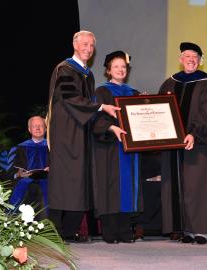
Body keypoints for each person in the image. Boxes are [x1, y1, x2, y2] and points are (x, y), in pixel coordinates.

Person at [46, 30, 120, 242]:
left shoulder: (88, 73)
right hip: (66, 133)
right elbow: (70, 98)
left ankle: (69, 231)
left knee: (79, 183)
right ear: (75, 45)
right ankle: (55, 232)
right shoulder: (65, 69)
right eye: (84, 44)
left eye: (91, 45)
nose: (88, 48)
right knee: (64, 182)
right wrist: (100, 106)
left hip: (81, 132)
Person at [158, 42, 207, 244]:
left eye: (195, 57)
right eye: (187, 56)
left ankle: (200, 230)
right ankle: (184, 229)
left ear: (200, 62)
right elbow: (159, 111)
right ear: (180, 59)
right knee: (176, 185)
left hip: (196, 143)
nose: (191, 59)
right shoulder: (169, 83)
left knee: (197, 185)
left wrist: (194, 133)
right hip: (172, 145)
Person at [92, 50, 143, 243]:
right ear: (108, 71)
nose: (120, 70)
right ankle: (110, 232)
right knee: (111, 187)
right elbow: (95, 120)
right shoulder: (102, 92)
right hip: (110, 148)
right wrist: (111, 127)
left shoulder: (133, 93)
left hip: (130, 149)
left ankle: (125, 231)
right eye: (116, 67)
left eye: (123, 67)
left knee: (129, 188)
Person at [9, 116, 49, 221]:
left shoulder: (52, 147)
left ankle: (46, 227)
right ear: (29, 129)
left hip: (48, 182)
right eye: (34, 126)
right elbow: (11, 171)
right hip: (25, 182)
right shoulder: (20, 147)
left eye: (41, 126)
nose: (38, 128)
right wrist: (18, 174)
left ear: (45, 128)